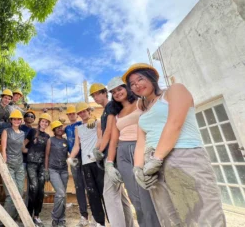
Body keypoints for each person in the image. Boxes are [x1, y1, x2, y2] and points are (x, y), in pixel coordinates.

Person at [123, 63, 226, 226]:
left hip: (183, 157)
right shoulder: (144, 109)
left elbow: (175, 123)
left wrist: (157, 159)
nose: (136, 85)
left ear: (152, 78)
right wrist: (137, 168)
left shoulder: (175, 90)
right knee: (170, 219)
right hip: (152, 165)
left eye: (140, 79)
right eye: (132, 84)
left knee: (203, 216)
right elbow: (141, 142)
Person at [106, 76, 160, 227]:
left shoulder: (141, 103)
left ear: (127, 88)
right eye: (114, 92)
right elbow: (113, 140)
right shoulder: (117, 114)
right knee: (134, 197)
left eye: (120, 89)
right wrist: (109, 163)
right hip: (123, 154)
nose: (117, 93)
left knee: (147, 195)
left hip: (142, 148)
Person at [89, 83, 134, 227]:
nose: (96, 97)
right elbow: (102, 135)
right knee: (121, 196)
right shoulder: (105, 111)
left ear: (104, 93)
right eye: (93, 95)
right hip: (113, 153)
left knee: (109, 195)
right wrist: (97, 149)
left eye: (98, 93)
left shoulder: (110, 107)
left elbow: (109, 131)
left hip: (112, 155)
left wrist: (100, 151)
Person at [67, 102, 106, 227]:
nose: (82, 114)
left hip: (97, 161)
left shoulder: (97, 122)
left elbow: (101, 138)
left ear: (89, 111)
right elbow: (77, 146)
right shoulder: (78, 128)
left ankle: (111, 219)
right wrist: (70, 158)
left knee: (104, 192)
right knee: (92, 193)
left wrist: (96, 151)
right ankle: (99, 221)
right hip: (86, 164)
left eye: (84, 111)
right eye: (80, 112)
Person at [0, 110, 26, 227]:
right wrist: (4, 160)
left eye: (18, 119)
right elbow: (3, 148)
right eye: (14, 119)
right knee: (11, 194)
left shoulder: (22, 134)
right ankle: (3, 222)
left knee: (19, 192)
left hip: (19, 165)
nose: (16, 121)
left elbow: (23, 149)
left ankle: (13, 218)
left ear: (21, 121)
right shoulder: (6, 131)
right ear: (11, 120)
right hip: (9, 164)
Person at [64, 105, 89, 227]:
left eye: (73, 113)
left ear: (77, 114)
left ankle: (95, 214)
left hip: (85, 157)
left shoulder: (81, 124)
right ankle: (83, 215)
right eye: (69, 114)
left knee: (90, 185)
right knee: (79, 186)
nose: (72, 115)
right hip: (74, 159)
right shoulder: (67, 128)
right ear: (68, 115)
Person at [25, 113, 52, 226]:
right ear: (39, 121)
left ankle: (37, 216)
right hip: (31, 164)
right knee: (33, 188)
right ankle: (28, 215)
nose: (44, 123)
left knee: (41, 190)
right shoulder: (32, 132)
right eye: (43, 121)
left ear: (48, 124)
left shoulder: (47, 137)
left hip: (41, 166)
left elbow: (47, 154)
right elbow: (23, 145)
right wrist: (29, 152)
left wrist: (46, 169)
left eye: (46, 122)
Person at [45, 121, 69, 227]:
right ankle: (55, 218)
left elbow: (68, 155)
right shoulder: (50, 140)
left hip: (64, 170)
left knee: (62, 195)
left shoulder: (66, 141)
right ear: (54, 130)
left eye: (61, 127)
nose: (60, 129)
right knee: (60, 193)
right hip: (53, 170)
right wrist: (46, 170)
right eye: (57, 128)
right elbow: (46, 155)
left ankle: (61, 219)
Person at [20, 110, 36, 206]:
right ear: (24, 118)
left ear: (34, 120)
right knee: (19, 184)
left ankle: (27, 207)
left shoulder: (34, 131)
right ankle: (18, 208)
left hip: (31, 161)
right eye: (27, 115)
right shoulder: (20, 127)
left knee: (31, 186)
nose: (29, 117)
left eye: (32, 116)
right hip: (21, 160)